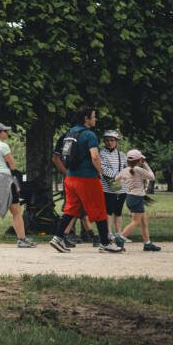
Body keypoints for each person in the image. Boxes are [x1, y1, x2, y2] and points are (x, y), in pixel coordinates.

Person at [49, 106, 124, 253]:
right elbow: (95, 156)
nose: (95, 119)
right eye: (94, 116)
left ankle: (57, 238)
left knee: (71, 209)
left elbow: (58, 157)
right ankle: (105, 243)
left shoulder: (69, 133)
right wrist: (100, 171)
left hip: (70, 178)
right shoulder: (89, 135)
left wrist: (68, 172)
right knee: (99, 210)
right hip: (87, 178)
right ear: (86, 118)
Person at [52, 126, 93, 246]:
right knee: (72, 206)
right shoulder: (67, 138)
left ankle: (84, 233)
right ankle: (67, 234)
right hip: (76, 177)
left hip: (82, 176)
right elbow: (55, 158)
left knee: (80, 206)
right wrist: (67, 173)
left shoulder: (85, 136)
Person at [117, 149, 161, 251]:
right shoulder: (138, 169)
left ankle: (147, 243)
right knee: (136, 222)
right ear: (139, 160)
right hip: (137, 198)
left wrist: (127, 182)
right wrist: (145, 164)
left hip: (130, 198)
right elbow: (152, 177)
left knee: (144, 222)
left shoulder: (125, 170)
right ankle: (121, 238)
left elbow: (116, 179)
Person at [99, 129, 129, 245]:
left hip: (122, 187)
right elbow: (103, 169)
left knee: (118, 212)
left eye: (112, 140)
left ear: (116, 141)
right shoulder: (101, 154)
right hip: (107, 187)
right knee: (108, 211)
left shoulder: (122, 155)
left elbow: (126, 168)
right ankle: (109, 233)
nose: (110, 142)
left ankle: (119, 234)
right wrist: (117, 175)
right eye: (107, 140)